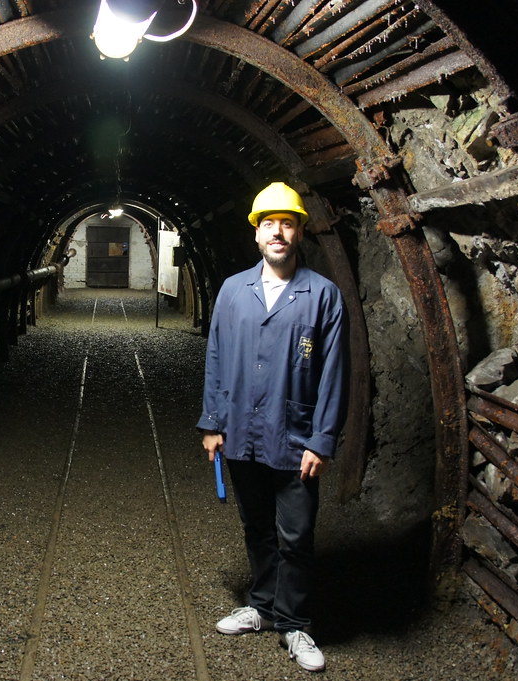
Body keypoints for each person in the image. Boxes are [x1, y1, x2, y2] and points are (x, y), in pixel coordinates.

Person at [196, 181, 348, 673]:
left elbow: (335, 374)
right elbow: (216, 359)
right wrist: (212, 423)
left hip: (295, 438)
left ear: (300, 231)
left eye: (287, 223)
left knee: (297, 535)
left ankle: (295, 623)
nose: (277, 232)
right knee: (256, 527)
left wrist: (322, 440)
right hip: (240, 433)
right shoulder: (232, 291)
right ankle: (261, 607)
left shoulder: (322, 296)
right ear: (256, 235)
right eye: (268, 224)